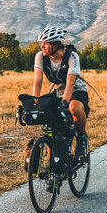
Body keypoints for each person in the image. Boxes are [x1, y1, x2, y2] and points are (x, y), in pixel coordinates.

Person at [32, 26, 89, 156]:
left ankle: (81, 139)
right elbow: (38, 82)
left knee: (73, 108)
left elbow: (70, 83)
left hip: (76, 89)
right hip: (57, 90)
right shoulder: (40, 56)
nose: (42, 47)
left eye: (45, 44)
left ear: (55, 44)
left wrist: (64, 103)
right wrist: (35, 101)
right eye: (42, 44)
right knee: (53, 121)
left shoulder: (72, 56)